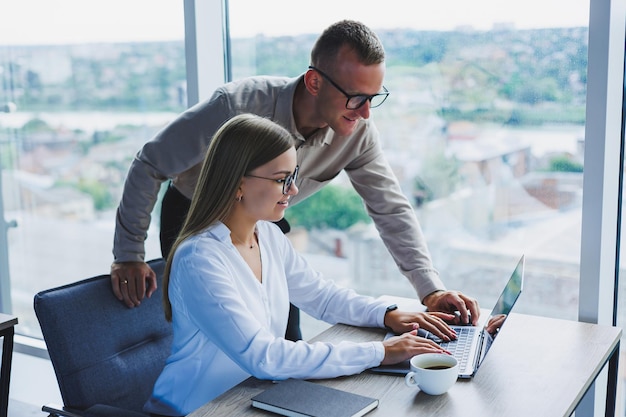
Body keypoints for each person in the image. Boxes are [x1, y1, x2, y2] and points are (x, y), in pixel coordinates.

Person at [110, 19, 480, 341]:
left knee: (287, 332)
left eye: (373, 97)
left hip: (262, 222)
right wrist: (128, 254)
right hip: (194, 217)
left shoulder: (359, 132)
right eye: (355, 98)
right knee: (223, 341)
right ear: (314, 82)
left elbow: (391, 209)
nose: (366, 112)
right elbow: (150, 163)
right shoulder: (236, 106)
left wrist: (430, 290)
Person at [143, 113, 457, 416]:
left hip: (253, 397)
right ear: (238, 184)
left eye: (293, 177)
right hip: (197, 409)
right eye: (282, 180)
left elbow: (321, 295)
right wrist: (380, 352)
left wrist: (386, 315)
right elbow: (265, 356)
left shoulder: (266, 235)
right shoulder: (200, 260)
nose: (293, 190)